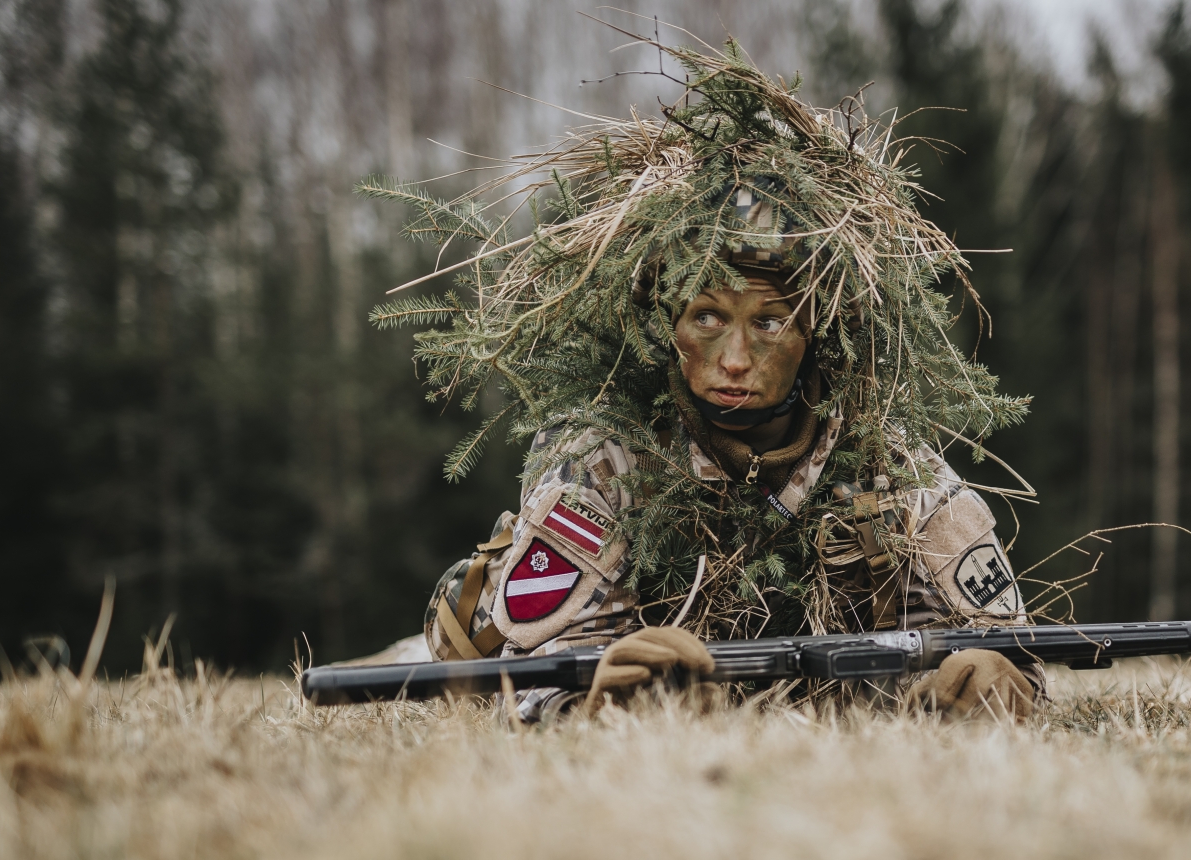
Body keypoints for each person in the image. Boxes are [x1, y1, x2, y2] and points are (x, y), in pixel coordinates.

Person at [365, 40, 1042, 724]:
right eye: (709, 316)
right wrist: (608, 698)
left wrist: (990, 678)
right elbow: (536, 681)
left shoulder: (892, 469)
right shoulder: (607, 461)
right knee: (426, 660)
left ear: (816, 336)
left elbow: (1009, 653)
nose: (737, 358)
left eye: (771, 322)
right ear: (668, 324)